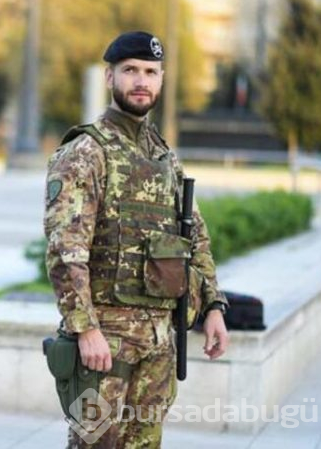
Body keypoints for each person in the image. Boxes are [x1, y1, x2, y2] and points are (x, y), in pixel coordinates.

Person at [44, 31, 230, 448]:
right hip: (104, 340)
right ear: (110, 78)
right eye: (130, 71)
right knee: (94, 444)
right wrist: (84, 328)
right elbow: (65, 248)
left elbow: (194, 237)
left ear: (162, 80)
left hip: (159, 338)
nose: (141, 81)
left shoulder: (164, 155)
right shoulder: (86, 151)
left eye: (151, 72)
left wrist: (214, 306)